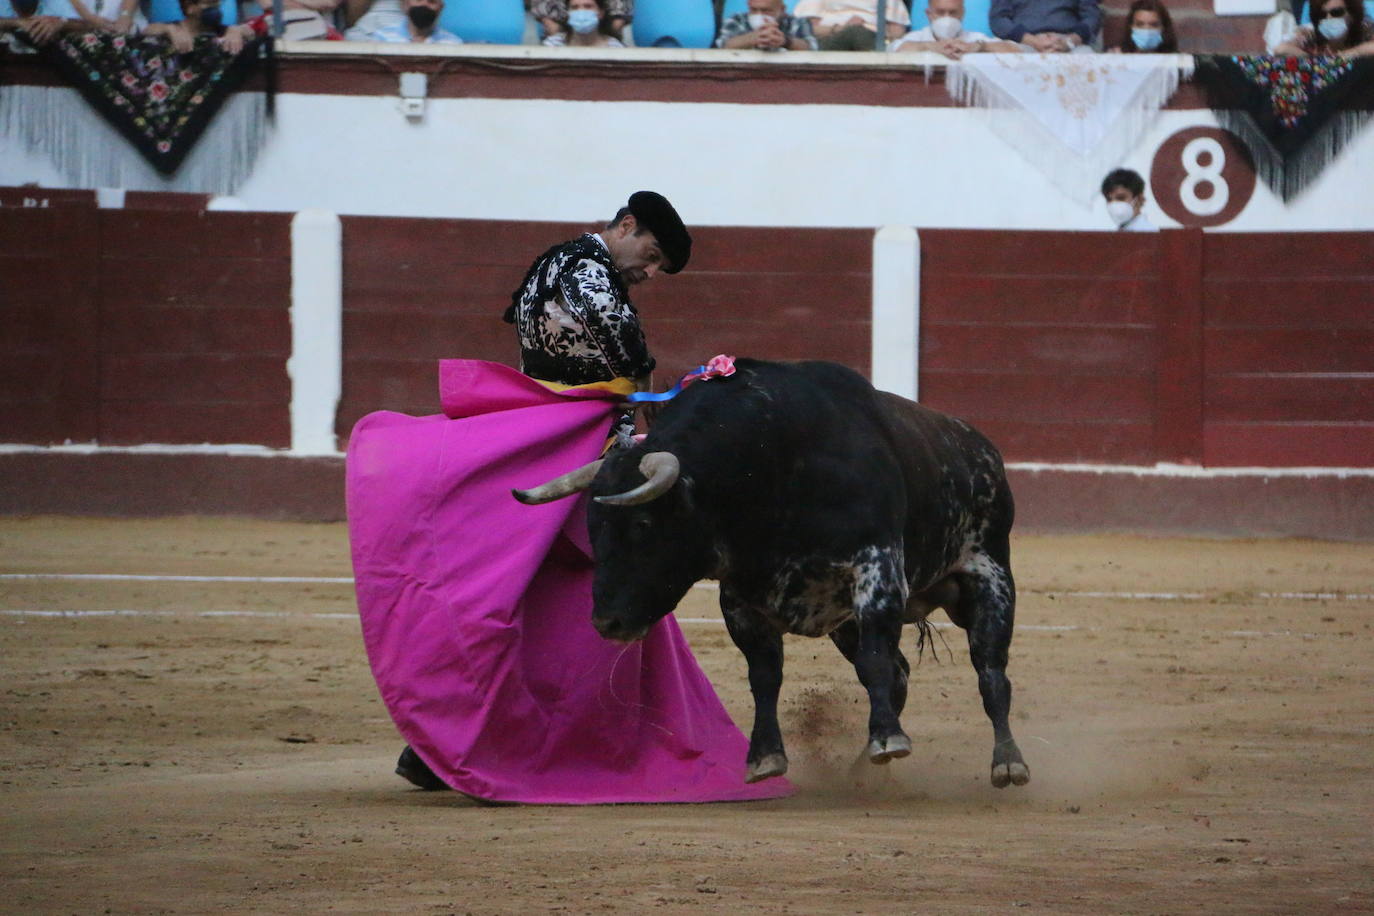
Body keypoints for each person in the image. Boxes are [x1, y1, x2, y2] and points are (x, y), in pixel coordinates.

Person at [393, 190, 692, 792]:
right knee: (589, 588)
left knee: (534, 591)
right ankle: (560, 741)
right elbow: (620, 346)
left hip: (552, 438)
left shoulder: (559, 265)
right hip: (580, 447)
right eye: (652, 254)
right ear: (626, 225)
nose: (651, 273)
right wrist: (651, 403)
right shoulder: (584, 269)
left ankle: (442, 745)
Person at [890, 0, 1023, 55]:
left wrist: (979, 47)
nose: (947, 18)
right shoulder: (918, 38)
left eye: (953, 12)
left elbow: (1015, 50)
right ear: (929, 14)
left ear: (963, 13)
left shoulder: (974, 38)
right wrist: (931, 47)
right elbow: (894, 49)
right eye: (941, 12)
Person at [792, 0, 909, 50]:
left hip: (872, 39)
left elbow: (897, 31)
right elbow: (807, 29)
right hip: (831, 40)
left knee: (858, 33)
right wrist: (841, 29)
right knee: (854, 33)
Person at [145, 0, 254, 53]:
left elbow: (250, 32)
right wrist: (168, 29)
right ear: (190, 8)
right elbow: (147, 31)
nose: (215, 9)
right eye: (208, 4)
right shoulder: (174, 28)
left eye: (216, 4)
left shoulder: (222, 30)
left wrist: (236, 30)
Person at [989, 0, 1101, 52]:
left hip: (1070, 43)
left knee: (1086, 62)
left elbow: (1092, 16)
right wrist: (1030, 40)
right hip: (1022, 41)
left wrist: (1070, 41)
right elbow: (998, 19)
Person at [1272, 0, 1374, 56]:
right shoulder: (1311, 35)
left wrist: (1348, 54)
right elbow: (1280, 50)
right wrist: (1318, 61)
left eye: (1336, 12)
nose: (1329, 18)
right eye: (1322, 15)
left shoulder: (1364, 29)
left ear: (1352, 14)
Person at [715, 0, 818, 51]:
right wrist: (755, 37)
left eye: (766, 11)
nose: (759, 14)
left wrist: (785, 41)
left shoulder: (798, 22)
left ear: (782, 10)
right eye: (754, 10)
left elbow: (812, 48)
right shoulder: (737, 19)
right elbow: (723, 45)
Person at [531, 0, 630, 42]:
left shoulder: (613, 46)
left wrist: (602, 45)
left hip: (606, 41)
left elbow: (617, 21)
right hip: (562, 43)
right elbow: (549, 22)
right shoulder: (554, 43)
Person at [362, 0, 458, 41]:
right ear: (406, 4)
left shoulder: (452, 42)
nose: (424, 4)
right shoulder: (381, 38)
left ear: (440, 8)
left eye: (431, 1)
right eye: (418, 0)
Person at [1101, 168, 1157, 232]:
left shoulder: (1148, 233)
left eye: (1121, 198)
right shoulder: (1120, 232)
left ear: (1139, 199)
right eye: (1109, 199)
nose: (1114, 204)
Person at [1110, 0, 1176, 51]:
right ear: (1131, 27)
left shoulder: (1177, 62)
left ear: (1163, 28)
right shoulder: (1117, 59)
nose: (1146, 29)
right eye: (1140, 24)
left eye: (1154, 25)